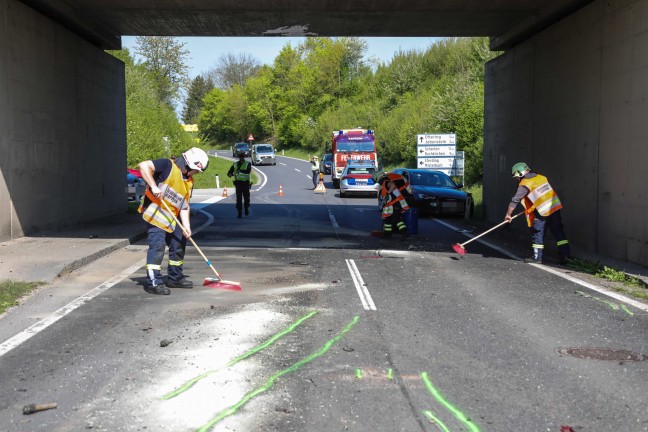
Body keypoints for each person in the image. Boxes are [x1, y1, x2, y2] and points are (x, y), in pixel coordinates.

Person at [138, 147, 209, 295]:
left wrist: (187, 227)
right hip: (156, 212)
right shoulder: (167, 165)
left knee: (179, 242)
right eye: (196, 170)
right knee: (157, 246)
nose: (196, 173)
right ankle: (154, 282)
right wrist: (153, 186)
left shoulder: (189, 182)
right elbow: (143, 166)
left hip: (173, 215)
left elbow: (184, 205)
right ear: (188, 164)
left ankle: (175, 277)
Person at [505, 162, 571, 264]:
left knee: (538, 233)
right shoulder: (541, 177)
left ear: (520, 174)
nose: (517, 179)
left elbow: (515, 200)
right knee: (558, 231)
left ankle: (536, 258)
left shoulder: (525, 184)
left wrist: (508, 214)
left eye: (516, 177)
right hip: (555, 207)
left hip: (542, 210)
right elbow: (540, 194)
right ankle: (566, 256)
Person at [227, 151, 252, 218]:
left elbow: (248, 171)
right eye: (240, 156)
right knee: (239, 199)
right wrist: (229, 174)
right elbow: (230, 171)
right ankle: (239, 212)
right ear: (239, 157)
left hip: (246, 184)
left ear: (244, 157)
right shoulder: (235, 164)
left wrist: (240, 171)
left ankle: (246, 208)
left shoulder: (248, 163)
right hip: (238, 184)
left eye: (242, 156)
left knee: (246, 198)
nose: (241, 157)